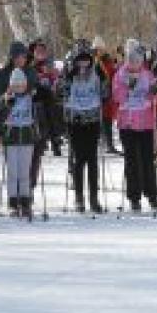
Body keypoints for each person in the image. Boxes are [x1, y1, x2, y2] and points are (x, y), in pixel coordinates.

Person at [112, 41, 157, 212]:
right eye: (132, 60)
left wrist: (156, 94)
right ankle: (134, 196)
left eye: (138, 60)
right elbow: (117, 97)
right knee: (132, 161)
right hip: (127, 124)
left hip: (146, 124)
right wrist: (128, 87)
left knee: (148, 161)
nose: (135, 63)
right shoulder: (120, 75)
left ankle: (152, 195)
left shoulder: (148, 75)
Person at [60, 41, 108, 214]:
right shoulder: (69, 71)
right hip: (75, 120)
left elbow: (105, 93)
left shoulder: (97, 71)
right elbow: (60, 92)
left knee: (92, 159)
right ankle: (79, 197)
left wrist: (103, 83)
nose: (83, 63)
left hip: (93, 119)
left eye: (86, 59)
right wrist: (68, 78)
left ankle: (94, 198)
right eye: (79, 60)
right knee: (78, 159)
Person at [0, 67, 38, 218]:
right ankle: (13, 203)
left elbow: (37, 114)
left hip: (27, 138)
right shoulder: (6, 97)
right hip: (11, 139)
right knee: (13, 172)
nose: (19, 87)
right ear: (11, 85)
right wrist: (8, 104)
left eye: (21, 84)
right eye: (16, 84)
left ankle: (26, 201)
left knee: (25, 172)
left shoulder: (30, 98)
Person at [92, 36, 121, 155]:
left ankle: (109, 144)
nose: (98, 51)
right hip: (95, 94)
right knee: (97, 121)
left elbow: (112, 74)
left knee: (107, 120)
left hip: (107, 94)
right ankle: (101, 142)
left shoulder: (107, 61)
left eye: (100, 49)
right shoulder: (93, 61)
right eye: (96, 49)